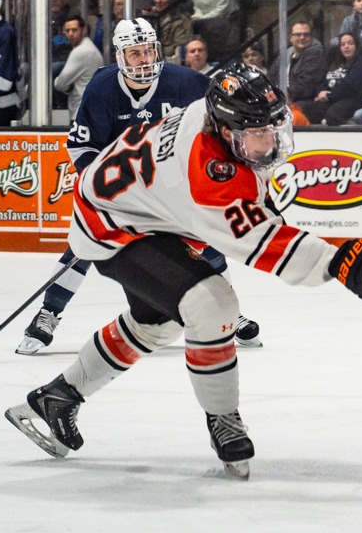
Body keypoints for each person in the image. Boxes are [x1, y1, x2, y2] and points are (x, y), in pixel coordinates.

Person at [5, 65, 362, 478]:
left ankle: (58, 397)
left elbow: (261, 216)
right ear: (225, 128)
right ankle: (223, 417)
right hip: (114, 226)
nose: (269, 141)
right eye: (257, 133)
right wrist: (343, 264)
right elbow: (264, 246)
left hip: (140, 210)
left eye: (274, 128)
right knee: (213, 304)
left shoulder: (217, 117)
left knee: (159, 323)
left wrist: (333, 256)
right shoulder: (209, 171)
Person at [19, 18, 268, 356]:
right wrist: (103, 191)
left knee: (203, 237)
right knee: (86, 242)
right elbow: (82, 147)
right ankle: (49, 312)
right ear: (121, 56)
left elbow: (219, 120)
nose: (143, 59)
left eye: (148, 51)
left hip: (169, 183)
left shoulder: (187, 83)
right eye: (134, 53)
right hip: (118, 187)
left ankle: (228, 313)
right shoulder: (103, 87)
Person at [54, 14, 101, 116]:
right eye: (67, 31)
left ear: (84, 31)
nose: (70, 34)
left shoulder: (81, 51)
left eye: (74, 30)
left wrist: (65, 85)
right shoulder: (88, 48)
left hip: (81, 113)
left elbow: (60, 84)